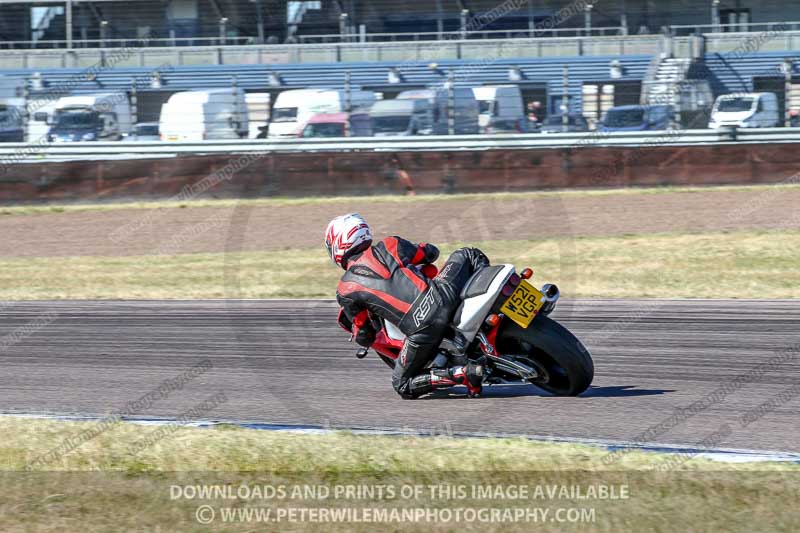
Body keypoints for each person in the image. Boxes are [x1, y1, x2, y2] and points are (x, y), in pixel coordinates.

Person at [325, 213, 489, 399]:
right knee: (468, 254)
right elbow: (431, 252)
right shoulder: (390, 244)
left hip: (422, 329)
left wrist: (361, 336)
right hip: (443, 294)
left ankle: (461, 373)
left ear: (337, 244)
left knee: (401, 384)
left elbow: (365, 334)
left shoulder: (345, 289)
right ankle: (489, 310)